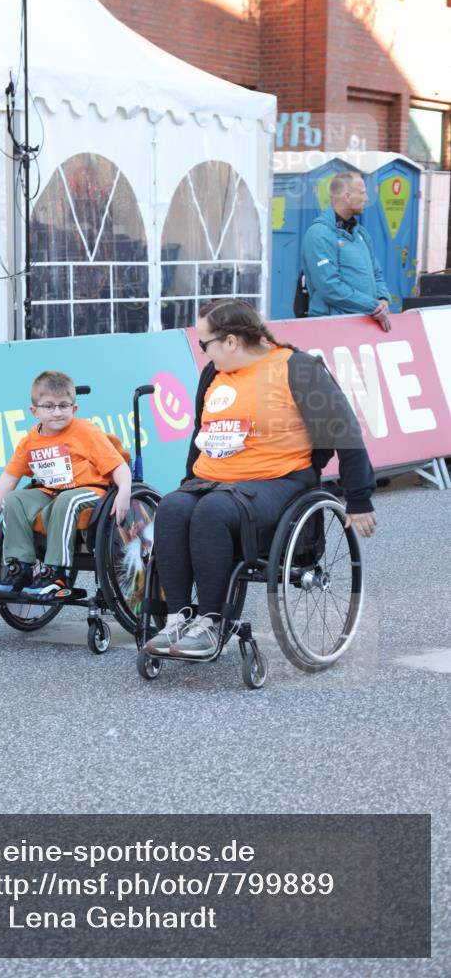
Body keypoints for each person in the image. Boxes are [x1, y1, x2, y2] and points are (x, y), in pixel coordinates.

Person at [145, 298, 377, 659]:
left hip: (278, 479)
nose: (204, 352)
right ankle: (177, 618)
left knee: (213, 511)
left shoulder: (297, 368)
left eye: (205, 344)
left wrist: (359, 498)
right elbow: (200, 434)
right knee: (173, 507)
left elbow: (343, 428)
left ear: (231, 341)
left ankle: (211, 623)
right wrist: (188, 483)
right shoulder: (213, 374)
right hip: (214, 479)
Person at [0, 370, 132, 600]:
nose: (57, 412)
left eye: (63, 406)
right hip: (51, 493)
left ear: (74, 408)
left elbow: (119, 466)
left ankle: (56, 574)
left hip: (90, 491)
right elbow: (8, 479)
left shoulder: (86, 431)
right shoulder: (30, 440)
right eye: (48, 406)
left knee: (66, 501)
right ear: (34, 411)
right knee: (14, 499)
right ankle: (20, 568)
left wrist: (124, 491)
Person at [301, 171, 392, 332]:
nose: (367, 198)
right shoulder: (319, 234)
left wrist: (383, 299)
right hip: (333, 328)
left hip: (365, 323)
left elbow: (377, 274)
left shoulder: (361, 233)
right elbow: (329, 287)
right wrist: (373, 306)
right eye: (362, 193)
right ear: (347, 196)